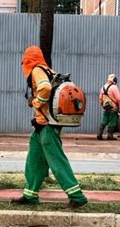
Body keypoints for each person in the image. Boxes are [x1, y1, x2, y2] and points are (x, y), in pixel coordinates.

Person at [12, 46, 88, 209]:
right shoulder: (48, 70)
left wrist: (36, 102)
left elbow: (45, 88)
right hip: (42, 125)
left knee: (56, 160)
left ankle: (77, 196)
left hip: (47, 125)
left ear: (28, 60)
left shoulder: (37, 70)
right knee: (34, 159)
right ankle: (30, 195)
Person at [97, 74, 120, 140]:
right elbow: (119, 99)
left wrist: (103, 105)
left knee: (104, 120)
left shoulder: (103, 87)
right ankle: (110, 136)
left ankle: (99, 134)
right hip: (113, 108)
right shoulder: (114, 87)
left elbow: (100, 98)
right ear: (114, 80)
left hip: (105, 107)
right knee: (112, 121)